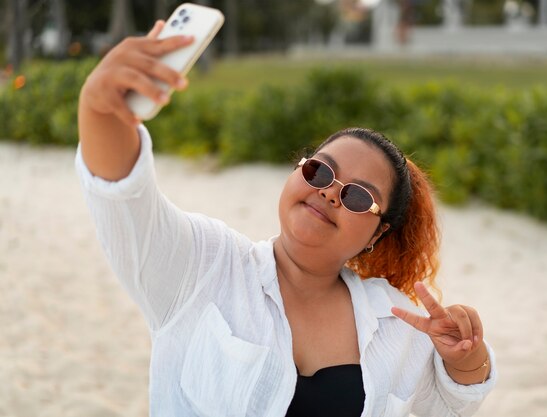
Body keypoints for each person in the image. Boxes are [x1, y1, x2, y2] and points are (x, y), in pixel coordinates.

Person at [76, 20, 497, 417]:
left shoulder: (398, 319)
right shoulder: (204, 265)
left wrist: (466, 355)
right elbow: (125, 200)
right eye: (320, 171)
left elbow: (448, 404)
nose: (330, 191)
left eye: (355, 196)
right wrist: (101, 110)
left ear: (378, 232)